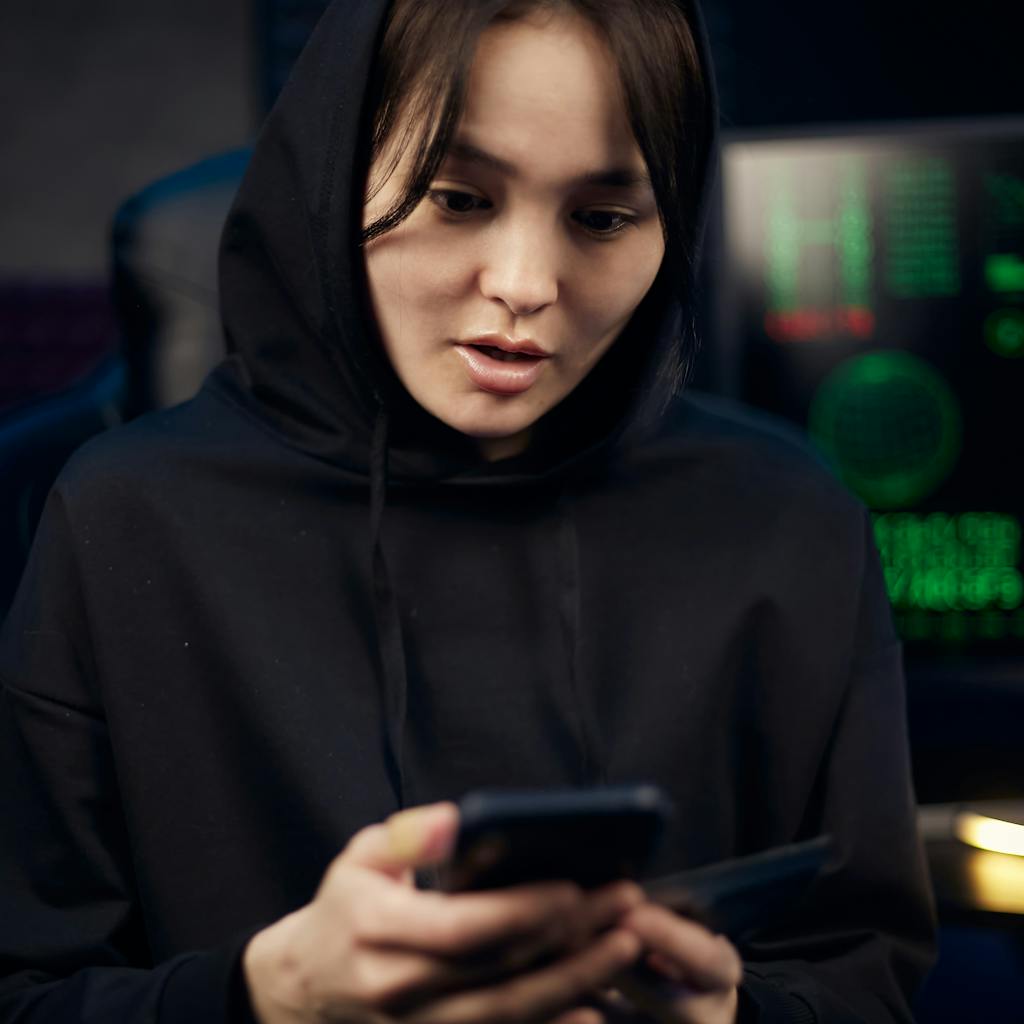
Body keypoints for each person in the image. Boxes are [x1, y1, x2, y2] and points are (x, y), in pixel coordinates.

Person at [0, 0, 936, 1021]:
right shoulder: (123, 520)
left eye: (602, 219)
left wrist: (723, 1014)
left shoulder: (787, 521)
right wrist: (273, 994)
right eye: (456, 198)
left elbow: (865, 975)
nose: (526, 285)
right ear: (335, 171)